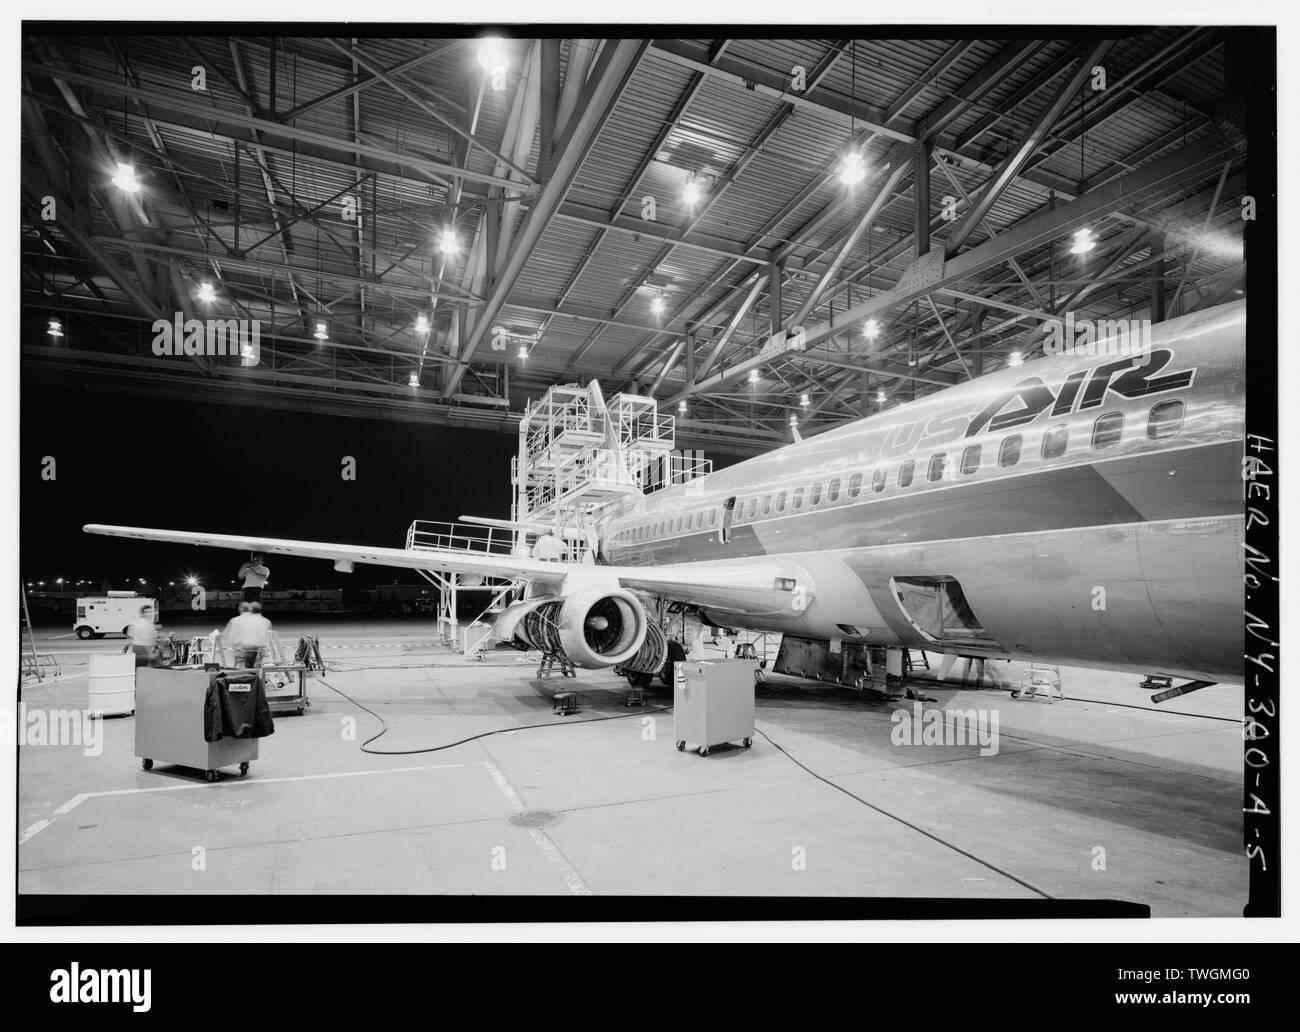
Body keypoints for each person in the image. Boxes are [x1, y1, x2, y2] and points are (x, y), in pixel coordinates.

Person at [224, 601, 272, 669]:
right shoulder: (266, 621)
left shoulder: (236, 620)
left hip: (243, 650)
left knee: (242, 651)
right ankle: (253, 669)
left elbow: (229, 637)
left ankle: (245, 670)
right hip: (259, 651)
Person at [125, 602, 158, 667]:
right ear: (142, 613)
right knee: (143, 668)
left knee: (137, 668)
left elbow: (130, 636)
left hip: (136, 648)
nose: (150, 613)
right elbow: (146, 641)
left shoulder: (135, 622)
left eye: (151, 611)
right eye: (147, 612)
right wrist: (150, 653)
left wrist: (131, 644)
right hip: (143, 649)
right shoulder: (148, 625)